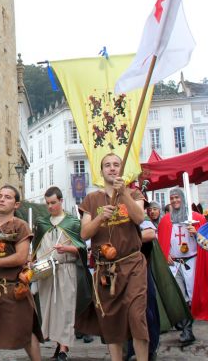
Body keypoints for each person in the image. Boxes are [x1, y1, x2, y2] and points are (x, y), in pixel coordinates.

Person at [78, 153, 149, 361]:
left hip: (133, 264)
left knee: (137, 317)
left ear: (122, 169)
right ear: (101, 171)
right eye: (107, 165)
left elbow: (139, 218)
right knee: (111, 320)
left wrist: (123, 193)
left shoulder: (133, 194)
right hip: (106, 270)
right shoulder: (92, 199)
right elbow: (84, 234)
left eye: (116, 164)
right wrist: (101, 217)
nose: (112, 168)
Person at [0, 185, 42, 361]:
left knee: (26, 334)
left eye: (7, 197)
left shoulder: (21, 227)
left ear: (16, 204)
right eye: (0, 196)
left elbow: (21, 257)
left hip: (13, 289)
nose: (2, 199)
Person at [33, 187, 88, 360]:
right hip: (47, 272)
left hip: (66, 269)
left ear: (61, 201)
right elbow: (36, 249)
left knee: (65, 308)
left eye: (53, 203)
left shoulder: (72, 222)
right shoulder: (42, 223)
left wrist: (67, 248)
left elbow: (83, 249)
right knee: (50, 309)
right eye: (48, 203)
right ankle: (58, 345)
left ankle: (63, 348)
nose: (50, 206)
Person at [157, 187, 208, 345]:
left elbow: (206, 240)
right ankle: (186, 329)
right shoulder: (166, 220)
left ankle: (187, 328)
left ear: (183, 198)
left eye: (177, 198)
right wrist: (165, 254)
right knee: (179, 296)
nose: (174, 201)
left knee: (192, 297)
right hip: (175, 263)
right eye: (172, 198)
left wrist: (196, 232)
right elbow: (162, 241)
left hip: (192, 261)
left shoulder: (197, 218)